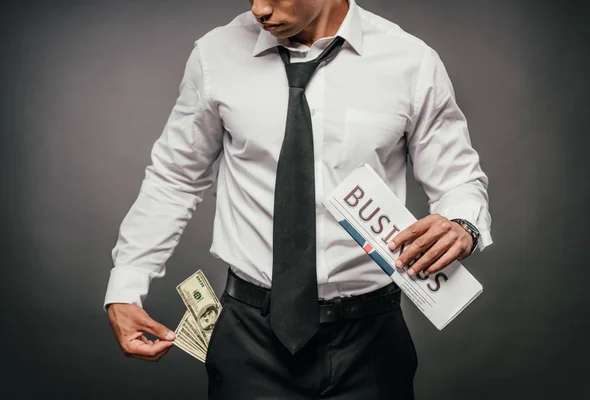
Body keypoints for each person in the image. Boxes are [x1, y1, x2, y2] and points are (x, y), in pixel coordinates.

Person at [104, 0, 493, 398]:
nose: (259, 8)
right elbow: (174, 178)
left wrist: (462, 225)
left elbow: (459, 180)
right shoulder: (215, 55)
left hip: (371, 340)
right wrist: (125, 286)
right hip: (250, 337)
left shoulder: (410, 61)